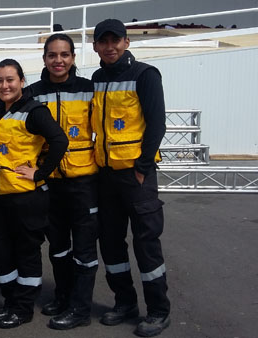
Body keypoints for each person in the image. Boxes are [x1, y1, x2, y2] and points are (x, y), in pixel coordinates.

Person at [91, 18, 170, 337]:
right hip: (105, 176)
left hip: (136, 176)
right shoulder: (96, 78)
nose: (110, 47)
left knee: (146, 243)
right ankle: (124, 303)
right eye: (103, 41)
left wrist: (142, 169)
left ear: (126, 42)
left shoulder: (145, 74)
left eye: (115, 40)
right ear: (96, 46)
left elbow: (157, 125)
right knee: (110, 243)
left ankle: (158, 310)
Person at [0, 59, 68, 329]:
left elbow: (60, 140)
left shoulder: (34, 111)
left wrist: (40, 173)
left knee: (26, 252)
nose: (5, 85)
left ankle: (23, 308)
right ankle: (10, 300)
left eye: (10, 80)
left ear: (22, 81)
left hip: (26, 196)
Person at [27, 33, 100, 330]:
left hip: (84, 181)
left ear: (73, 58)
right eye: (52, 55)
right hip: (49, 181)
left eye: (65, 55)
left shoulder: (89, 89)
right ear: (44, 58)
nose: (59, 60)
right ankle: (63, 295)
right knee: (57, 246)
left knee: (83, 249)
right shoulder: (32, 93)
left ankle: (80, 309)